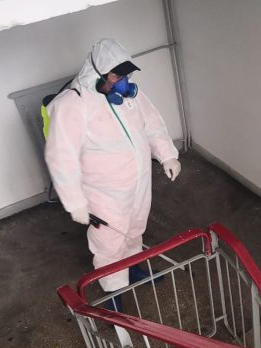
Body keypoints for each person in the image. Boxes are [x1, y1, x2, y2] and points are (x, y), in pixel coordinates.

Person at [45, 38, 181, 303]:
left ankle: (133, 269)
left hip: (139, 180)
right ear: (97, 74)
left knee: (136, 228)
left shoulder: (130, 96)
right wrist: (75, 202)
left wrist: (167, 155)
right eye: (116, 76)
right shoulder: (72, 105)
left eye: (125, 75)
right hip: (103, 191)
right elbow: (62, 157)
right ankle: (113, 291)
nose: (123, 82)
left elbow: (152, 124)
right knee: (109, 242)